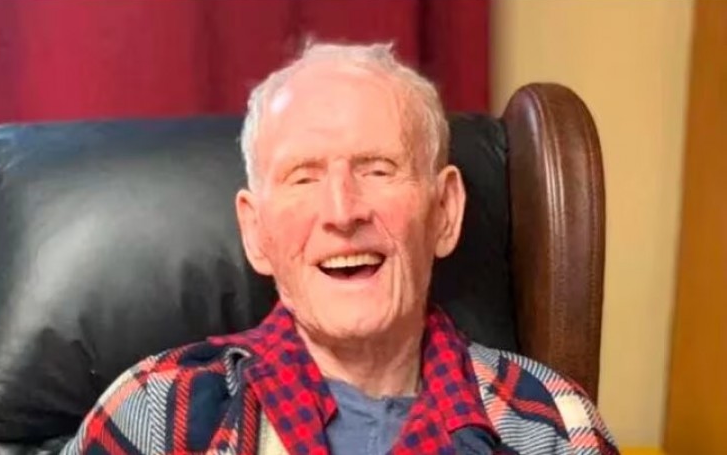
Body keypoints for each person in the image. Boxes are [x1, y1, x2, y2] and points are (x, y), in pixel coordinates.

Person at [60, 42, 617, 455]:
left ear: (445, 212)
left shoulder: (555, 428)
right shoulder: (153, 413)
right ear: (255, 231)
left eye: (378, 169)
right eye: (303, 177)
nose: (343, 211)